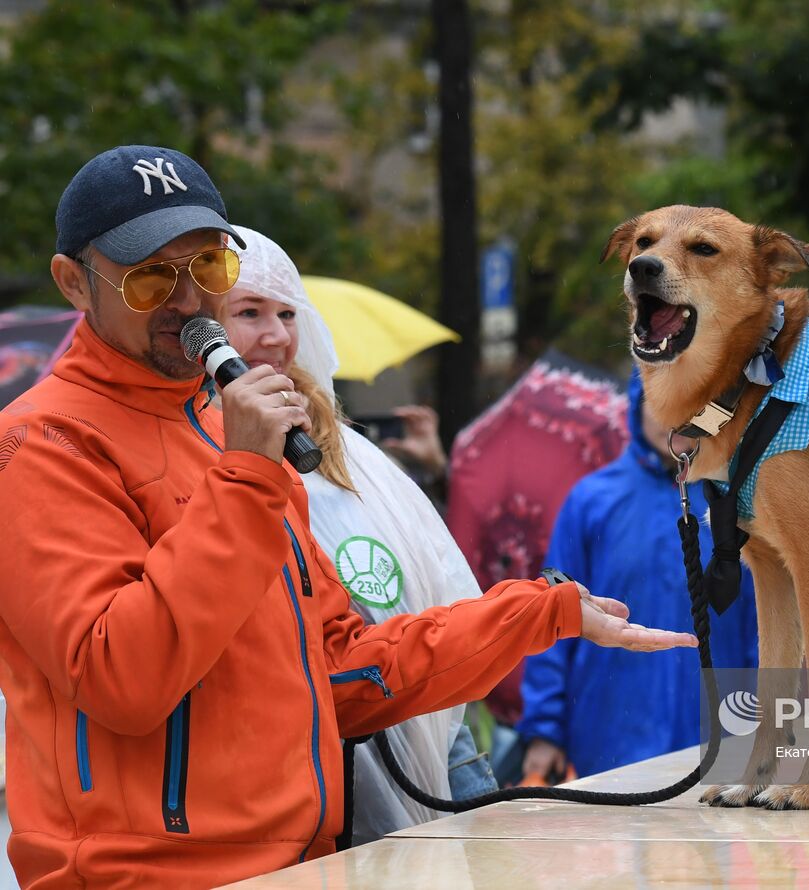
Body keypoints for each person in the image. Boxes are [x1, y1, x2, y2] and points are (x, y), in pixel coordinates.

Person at [0, 144, 696, 888]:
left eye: (207, 268)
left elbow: (339, 670)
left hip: (304, 862)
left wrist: (534, 615)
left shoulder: (225, 427)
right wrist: (245, 476)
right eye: (149, 278)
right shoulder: (40, 444)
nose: (187, 301)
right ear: (74, 282)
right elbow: (121, 677)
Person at [219, 225, 495, 845]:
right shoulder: (208, 452)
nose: (276, 336)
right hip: (332, 761)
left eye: (287, 313)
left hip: (442, 735)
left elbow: (437, 571)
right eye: (249, 313)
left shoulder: (343, 445)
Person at [516, 372, 760, 780]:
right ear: (636, 405)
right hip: (610, 738)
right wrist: (544, 732)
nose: (680, 418)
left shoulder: (736, 499)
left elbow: (765, 623)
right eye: (664, 402)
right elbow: (552, 616)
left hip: (718, 735)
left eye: (694, 403)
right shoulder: (591, 501)